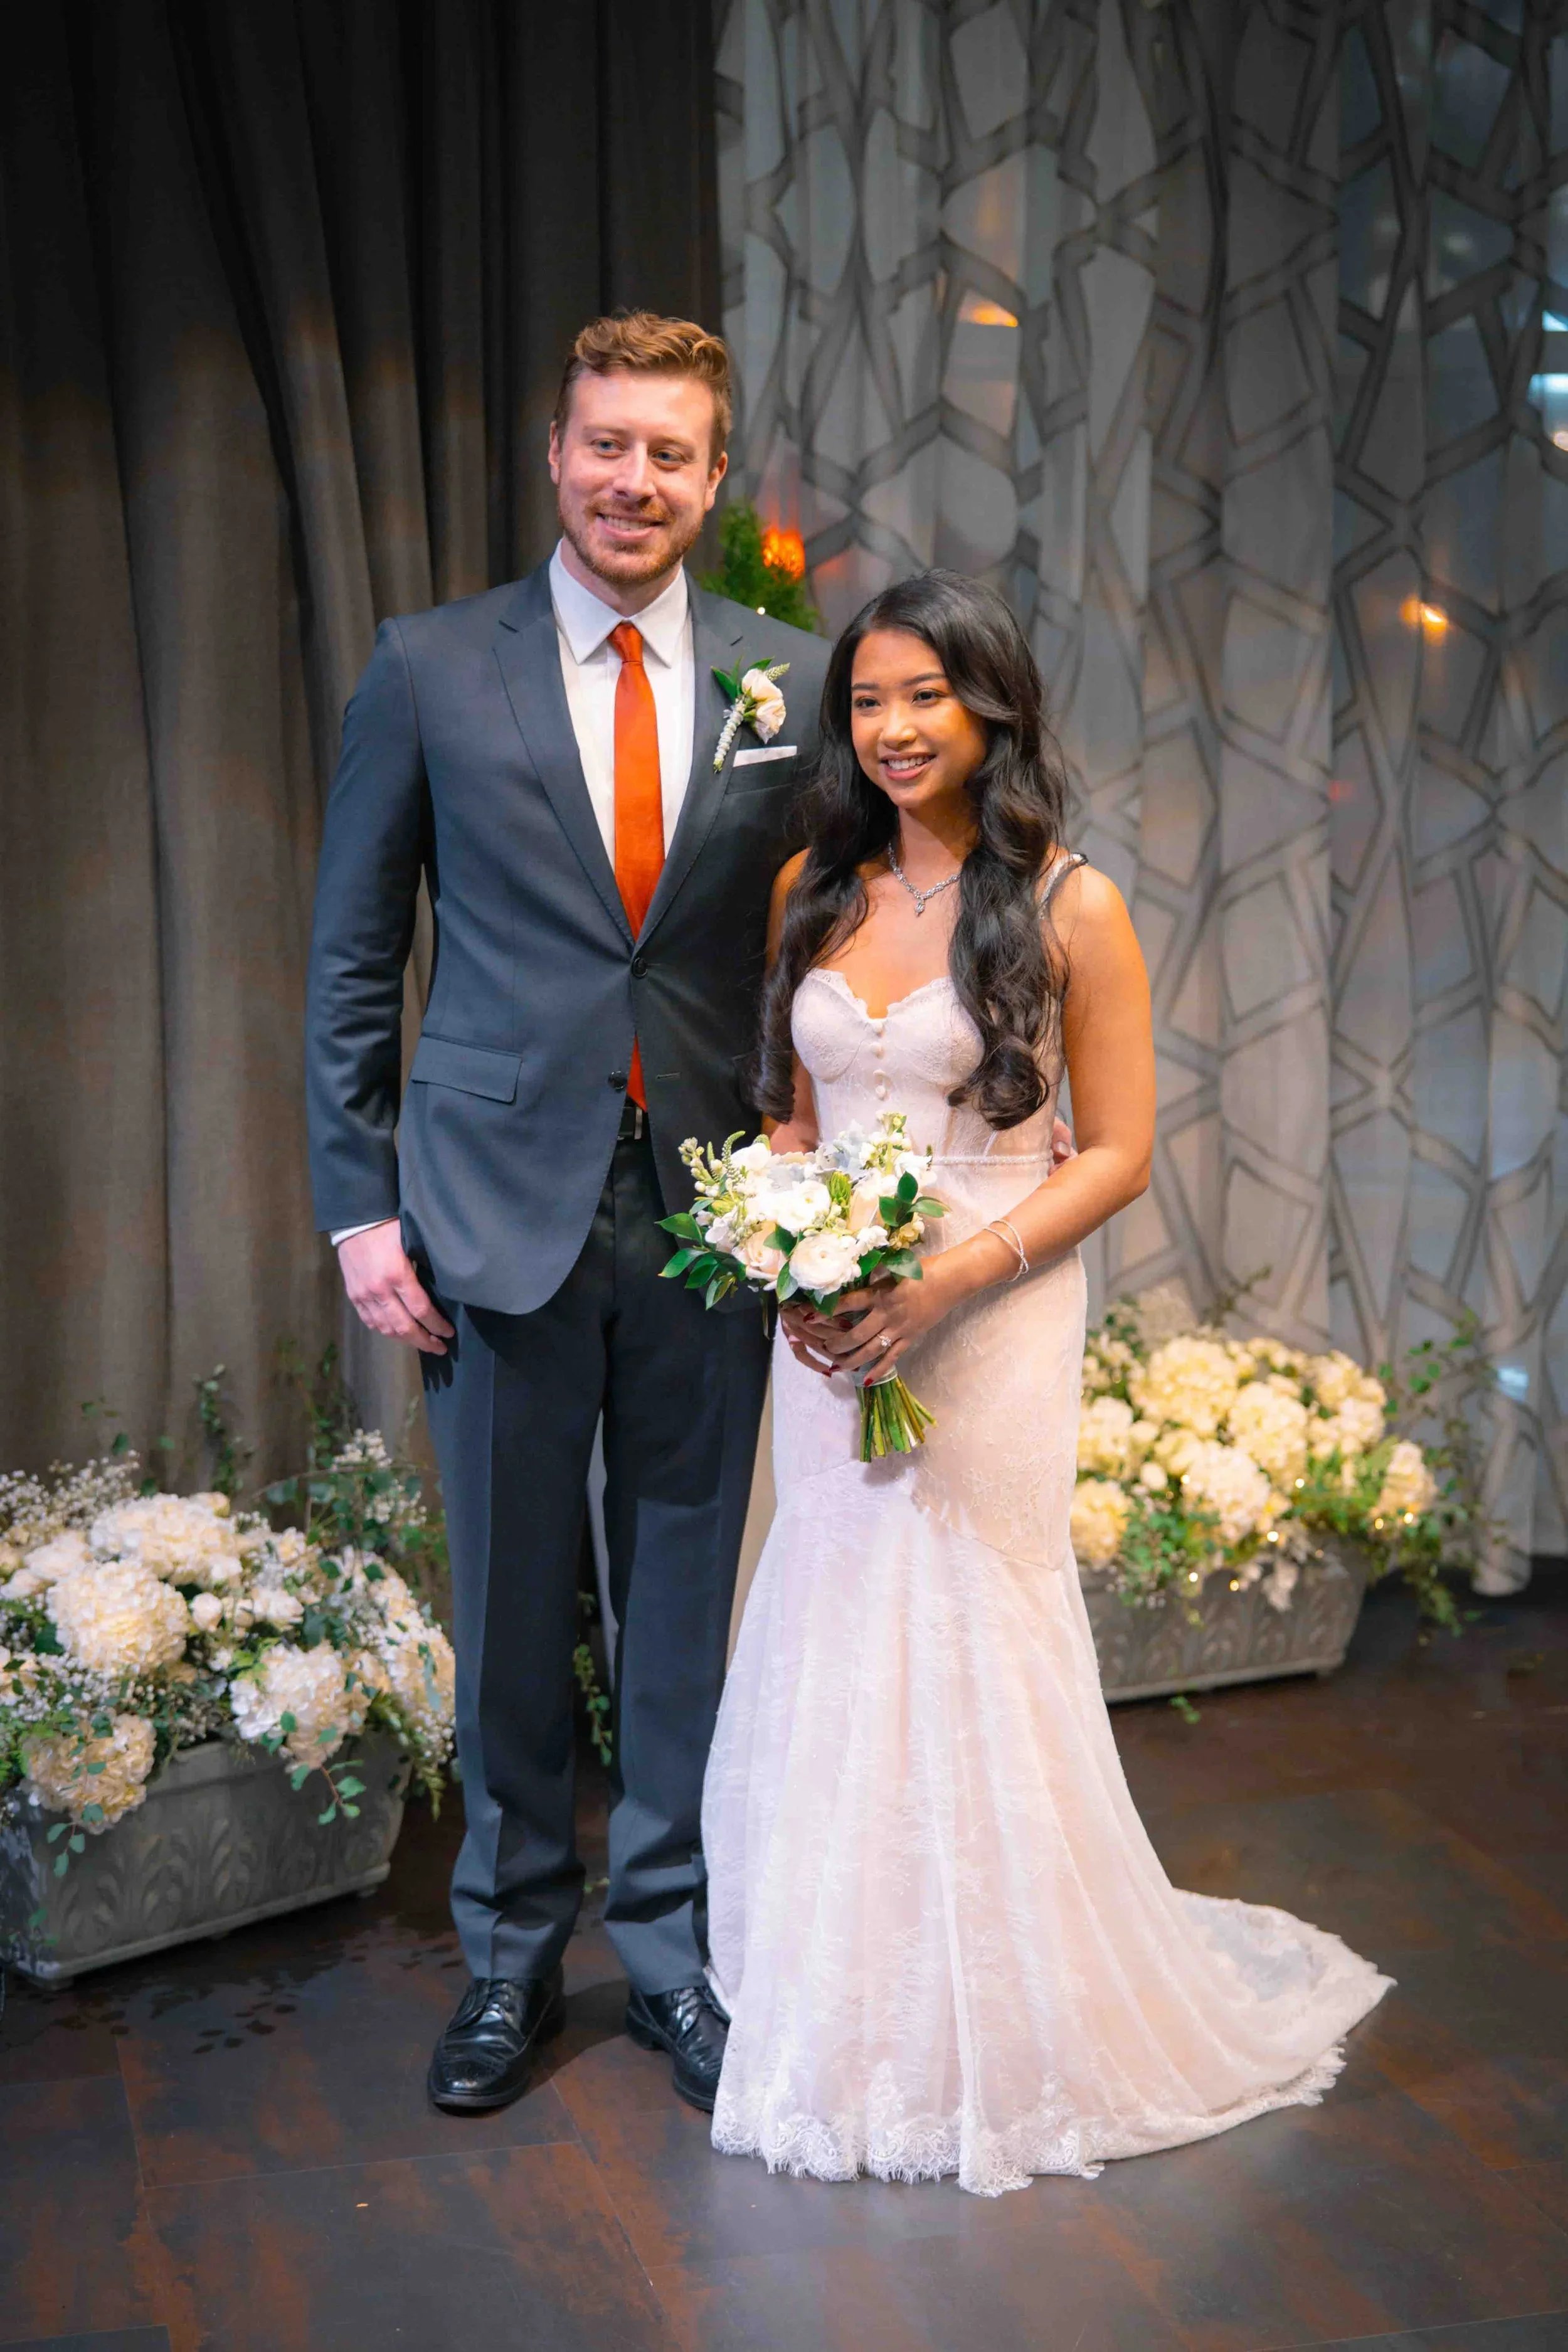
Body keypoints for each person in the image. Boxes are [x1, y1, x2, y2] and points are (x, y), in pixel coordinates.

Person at [701, 569, 1391, 2196]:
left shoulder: (1071, 903)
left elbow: (1125, 1148)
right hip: (831, 1313)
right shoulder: (814, 880)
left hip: (991, 1302)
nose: (888, 728)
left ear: (988, 707)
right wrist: (783, 1243)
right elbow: (794, 1116)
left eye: (921, 697)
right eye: (865, 699)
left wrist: (942, 1278)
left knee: (968, 1609)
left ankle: (1008, 2011)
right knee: (834, 1604)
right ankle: (853, 1999)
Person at [305, 313, 831, 2117]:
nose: (635, 480)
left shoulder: (792, 678)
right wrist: (357, 1203)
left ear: (709, 475)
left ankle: (675, 1955)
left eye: (671, 453)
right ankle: (511, 1957)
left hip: (713, 1216)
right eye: (608, 444)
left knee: (683, 1597)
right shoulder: (432, 666)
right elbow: (355, 957)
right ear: (557, 452)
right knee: (515, 1607)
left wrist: (833, 1176)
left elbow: (835, 940)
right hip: (486, 1213)